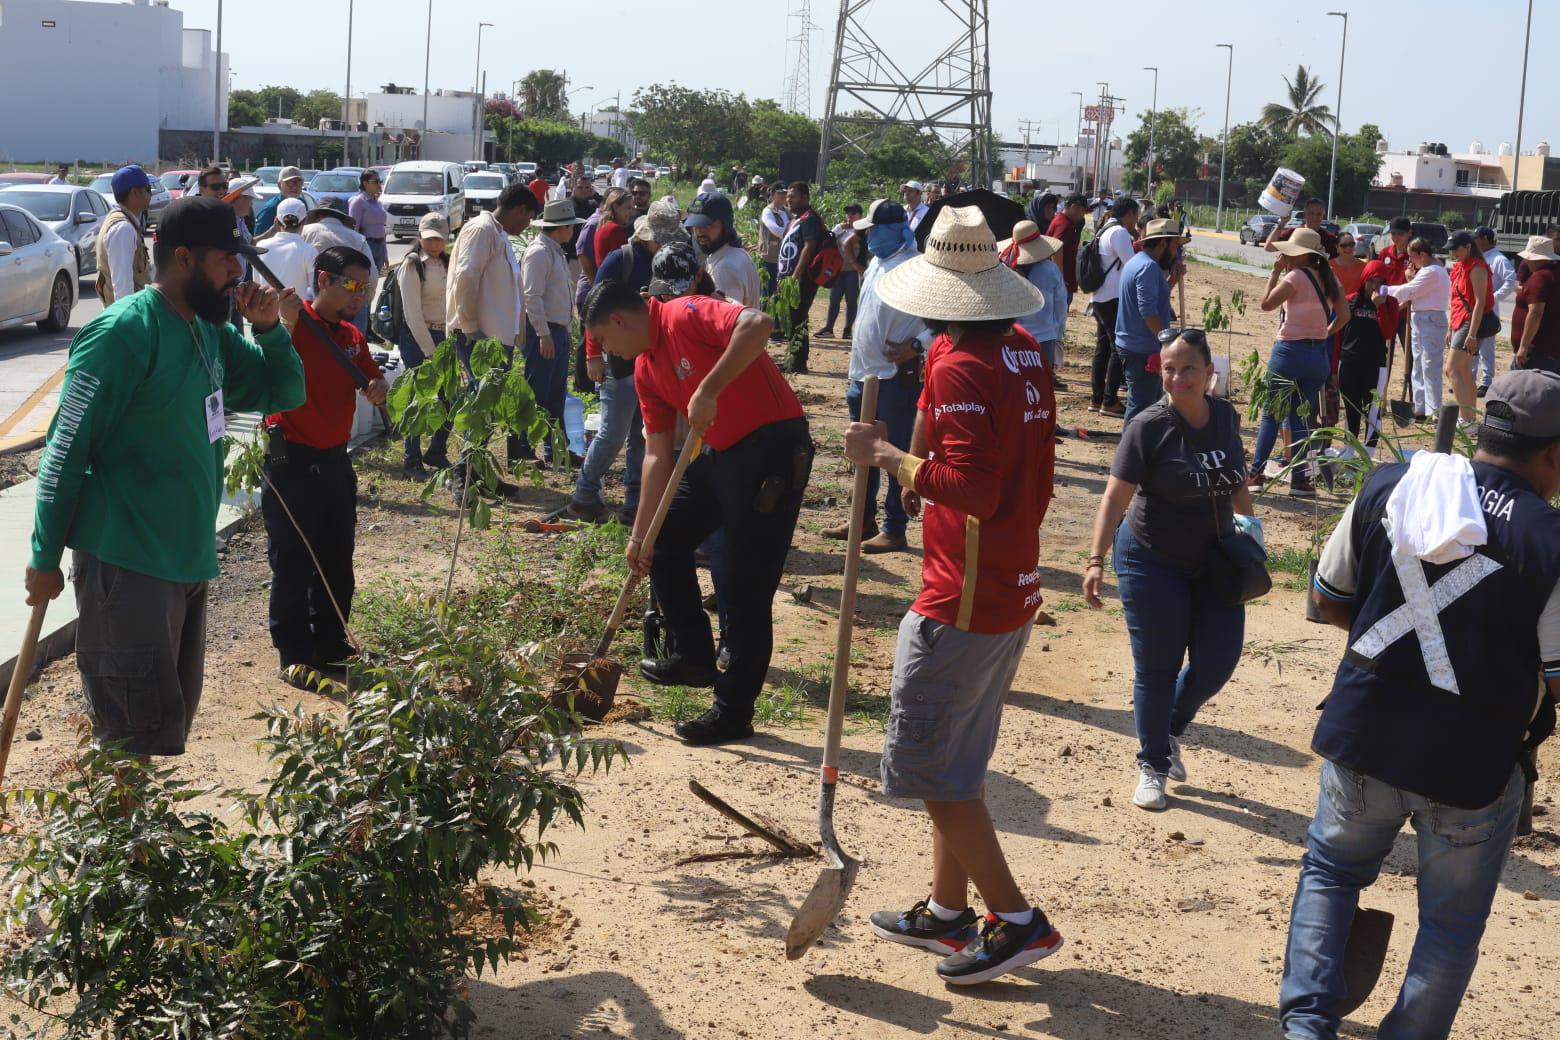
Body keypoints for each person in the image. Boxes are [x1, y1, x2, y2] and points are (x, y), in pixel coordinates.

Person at [1281, 369, 1560, 1040]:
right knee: (1450, 926)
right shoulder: (1549, 541)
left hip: (1365, 732)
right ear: (1553, 455)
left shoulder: (1394, 484)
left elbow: (1325, 598)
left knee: (1330, 874)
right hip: (1472, 765)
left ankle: (1304, 1030)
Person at [846, 205, 1064, 986]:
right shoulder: (1022, 355)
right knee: (957, 765)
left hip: (963, 597)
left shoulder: (960, 363)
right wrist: (923, 471)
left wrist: (892, 459)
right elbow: (1002, 458)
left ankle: (1016, 921)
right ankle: (947, 912)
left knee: (932, 769)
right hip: (1012, 581)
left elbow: (973, 488)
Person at [24, 196, 306, 756]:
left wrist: (271, 330)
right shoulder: (124, 333)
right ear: (183, 258)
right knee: (130, 740)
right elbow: (64, 451)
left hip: (185, 561)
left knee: (160, 731)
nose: (238, 272)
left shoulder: (210, 332)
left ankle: (139, 845)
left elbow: (285, 393)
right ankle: (118, 845)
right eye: (227, 259)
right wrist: (43, 556)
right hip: (128, 565)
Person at [583, 276, 813, 747]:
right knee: (664, 541)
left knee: (743, 582)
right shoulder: (646, 369)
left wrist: (708, 389)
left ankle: (733, 711)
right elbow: (656, 455)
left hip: (773, 448)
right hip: (722, 456)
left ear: (621, 320)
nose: (609, 352)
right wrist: (638, 535)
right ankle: (693, 655)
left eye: (605, 340)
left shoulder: (687, 313)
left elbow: (758, 324)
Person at [1082, 330, 1254, 810]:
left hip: (1216, 560)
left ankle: (1169, 727)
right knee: (1157, 667)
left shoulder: (1224, 417)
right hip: (1150, 559)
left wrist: (1252, 536)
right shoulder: (1147, 425)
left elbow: (1238, 482)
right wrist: (1095, 560)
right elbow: (1115, 497)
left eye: (1189, 368)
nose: (1177, 377)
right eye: (1169, 368)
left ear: (1208, 372)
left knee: (1218, 661)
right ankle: (1153, 763)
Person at [263, 246, 388, 687]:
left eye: (365, 288)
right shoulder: (296, 324)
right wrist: (284, 320)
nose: (359, 296)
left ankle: (331, 644)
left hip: (335, 461)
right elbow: (269, 349)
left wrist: (377, 388)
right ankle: (294, 653)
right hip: (292, 459)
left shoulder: (352, 335)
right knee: (293, 561)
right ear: (323, 280)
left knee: (337, 558)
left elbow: (372, 378)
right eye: (351, 285)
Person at [822, 199, 928, 553]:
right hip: (863, 375)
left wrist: (916, 345)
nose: (869, 236)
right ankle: (861, 517)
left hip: (895, 377)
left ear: (898, 230)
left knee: (894, 453)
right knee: (862, 453)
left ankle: (894, 527)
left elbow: (939, 320)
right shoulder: (877, 264)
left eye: (875, 230)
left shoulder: (917, 268)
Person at [568, 200, 684, 522]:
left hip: (650, 362)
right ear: (646, 235)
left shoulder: (666, 261)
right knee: (612, 434)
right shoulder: (622, 259)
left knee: (642, 436)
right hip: (619, 364)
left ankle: (635, 500)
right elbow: (596, 306)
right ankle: (584, 494)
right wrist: (593, 353)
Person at [444, 181, 539, 499]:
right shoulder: (482, 229)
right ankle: (462, 476)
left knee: (489, 411)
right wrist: (471, 328)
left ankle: (478, 474)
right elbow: (466, 277)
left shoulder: (498, 234)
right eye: (527, 220)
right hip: (479, 338)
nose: (525, 226)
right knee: (480, 406)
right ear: (520, 209)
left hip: (496, 340)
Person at [1250, 228, 1350, 497]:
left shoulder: (1295, 277)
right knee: (1301, 418)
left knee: (1272, 413)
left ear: (1301, 254)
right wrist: (1323, 333)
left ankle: (1256, 473)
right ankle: (1301, 480)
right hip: (1318, 355)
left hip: (1289, 352)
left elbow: (1266, 304)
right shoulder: (1329, 278)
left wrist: (1274, 273)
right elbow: (1344, 315)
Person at [520, 199, 585, 467]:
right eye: (571, 227)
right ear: (563, 227)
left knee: (556, 395)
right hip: (542, 332)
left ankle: (556, 449)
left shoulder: (553, 251)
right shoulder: (539, 253)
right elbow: (531, 296)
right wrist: (544, 333)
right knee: (536, 394)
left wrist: (564, 333)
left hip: (555, 330)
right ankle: (523, 450)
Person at [1114, 217, 1186, 421]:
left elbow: (1154, 298)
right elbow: (1148, 312)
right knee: (1141, 408)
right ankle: (1131, 450)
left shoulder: (1140, 262)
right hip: (1141, 348)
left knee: (1152, 405)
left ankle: (1145, 449)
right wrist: (1167, 343)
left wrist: (1172, 279)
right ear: (1163, 243)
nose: (1176, 252)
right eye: (1175, 246)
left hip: (1136, 343)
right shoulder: (1148, 268)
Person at [396, 213, 450, 477]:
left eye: (439, 239)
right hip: (417, 338)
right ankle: (412, 460)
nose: (434, 244)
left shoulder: (447, 263)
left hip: (443, 336)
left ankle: (436, 451)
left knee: (448, 397)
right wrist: (430, 350)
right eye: (429, 239)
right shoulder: (413, 264)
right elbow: (412, 313)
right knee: (418, 399)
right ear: (420, 236)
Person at [1379, 237, 1451, 422]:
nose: (1411, 261)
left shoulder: (1433, 271)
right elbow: (1413, 288)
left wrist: (1384, 290)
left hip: (1431, 320)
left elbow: (1409, 291)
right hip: (1420, 318)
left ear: (1423, 254)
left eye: (1413, 257)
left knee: (1430, 366)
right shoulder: (1426, 269)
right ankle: (1420, 408)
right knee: (1417, 364)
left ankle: (1434, 411)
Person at [1088, 197, 1139, 417]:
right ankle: (1109, 401)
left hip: (1099, 297)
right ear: (1129, 213)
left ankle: (1097, 397)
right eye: (1135, 215)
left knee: (1103, 349)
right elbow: (1132, 264)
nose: (1136, 221)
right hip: (1113, 298)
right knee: (1118, 348)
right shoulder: (1118, 232)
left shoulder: (1105, 229)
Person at [1003, 222, 1070, 382]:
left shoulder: (1006, 268)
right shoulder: (1050, 269)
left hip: (1012, 336)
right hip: (1044, 337)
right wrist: (1059, 334)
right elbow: (1061, 306)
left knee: (1015, 383)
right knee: (1041, 384)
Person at [1336, 259, 1392, 446]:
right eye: (1371, 281)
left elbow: (1388, 332)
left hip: (1375, 366)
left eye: (1380, 282)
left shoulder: (1389, 303)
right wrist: (1334, 367)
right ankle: (1349, 451)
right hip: (1349, 363)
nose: (1374, 286)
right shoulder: (1351, 300)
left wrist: (1379, 308)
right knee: (1351, 410)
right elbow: (1339, 335)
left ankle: (1368, 455)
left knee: (1372, 411)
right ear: (1364, 279)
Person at [1443, 230, 1495, 425]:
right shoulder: (1460, 266)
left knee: (1452, 369)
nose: (1453, 253)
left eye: (1456, 249)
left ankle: (1467, 420)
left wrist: (1472, 334)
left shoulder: (1477, 267)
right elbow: (1456, 300)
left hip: (1470, 322)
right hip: (1459, 320)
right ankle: (1470, 418)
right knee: (1464, 371)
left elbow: (1480, 303)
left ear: (1468, 247)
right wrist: (1450, 328)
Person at [777, 181, 825, 373]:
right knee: (793, 317)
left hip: (802, 279)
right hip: (790, 278)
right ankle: (794, 359)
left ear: (805, 197)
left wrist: (795, 276)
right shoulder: (797, 218)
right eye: (788, 196)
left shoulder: (810, 219)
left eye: (793, 196)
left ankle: (797, 363)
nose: (789, 200)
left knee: (797, 318)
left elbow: (809, 246)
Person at [684, 192, 761, 307]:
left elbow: (726, 322)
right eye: (695, 226)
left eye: (706, 225)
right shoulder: (735, 253)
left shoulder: (724, 268)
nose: (699, 232)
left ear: (725, 225)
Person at [94, 164, 153, 306]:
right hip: (130, 318)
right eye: (148, 189)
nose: (151, 194)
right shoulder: (123, 229)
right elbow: (122, 290)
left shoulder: (126, 223)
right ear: (135, 192)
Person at [1476, 227, 1517, 395]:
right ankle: (1469, 378)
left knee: (1486, 346)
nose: (1474, 242)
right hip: (1474, 306)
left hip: (1489, 309)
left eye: (1476, 238)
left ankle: (1486, 382)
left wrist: (1494, 297)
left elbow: (1510, 280)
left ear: (1485, 238)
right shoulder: (1479, 257)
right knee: (1471, 344)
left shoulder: (1498, 258)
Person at [817, 202, 866, 339]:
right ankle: (829, 328)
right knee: (834, 299)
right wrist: (838, 227)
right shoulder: (842, 229)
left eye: (853, 213)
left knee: (851, 301)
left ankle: (847, 330)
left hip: (853, 270)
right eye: (848, 213)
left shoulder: (863, 230)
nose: (850, 216)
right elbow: (828, 238)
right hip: (837, 270)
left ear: (860, 216)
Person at [1512, 235, 1560, 374]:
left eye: (1529, 258)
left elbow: (1535, 313)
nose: (1526, 261)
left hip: (1536, 352)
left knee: (1524, 391)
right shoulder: (1554, 274)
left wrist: (1524, 346)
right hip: (1550, 350)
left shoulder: (1540, 277)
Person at [258, 199, 320, 299]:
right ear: (305, 221)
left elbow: (257, 285)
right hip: (295, 313)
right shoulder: (309, 251)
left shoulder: (261, 246)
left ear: (276, 221)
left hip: (264, 311)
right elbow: (315, 291)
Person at [1264, 196, 1339, 259]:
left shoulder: (1330, 238)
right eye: (1311, 213)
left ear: (1323, 215)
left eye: (1319, 214)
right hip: (1294, 275)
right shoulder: (1294, 233)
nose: (1315, 217)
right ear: (1305, 214)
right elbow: (1269, 247)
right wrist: (1281, 224)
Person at [348, 169, 388, 271]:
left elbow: (381, 229)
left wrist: (385, 253)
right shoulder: (358, 202)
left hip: (379, 246)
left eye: (380, 181)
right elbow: (353, 230)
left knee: (374, 281)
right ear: (365, 183)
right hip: (367, 246)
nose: (379, 184)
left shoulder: (378, 203)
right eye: (375, 182)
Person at [758, 183, 790, 303]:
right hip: (769, 258)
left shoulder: (786, 211)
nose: (783, 195)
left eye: (785, 192)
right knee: (767, 294)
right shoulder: (767, 211)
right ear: (772, 194)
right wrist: (792, 234)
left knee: (779, 293)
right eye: (780, 192)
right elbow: (776, 230)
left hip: (783, 258)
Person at [254, 166, 306, 236]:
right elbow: (258, 239)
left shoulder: (302, 204)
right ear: (279, 185)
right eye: (290, 183)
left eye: (299, 183)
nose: (295, 187)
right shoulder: (270, 209)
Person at [592, 187, 634, 268]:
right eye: (628, 208)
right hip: (612, 279)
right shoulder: (614, 229)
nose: (631, 212)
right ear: (616, 207)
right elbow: (624, 261)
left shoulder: (603, 225)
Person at [1330, 233, 1366, 299]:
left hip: (1356, 306)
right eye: (1344, 245)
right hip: (1335, 306)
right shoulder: (1329, 266)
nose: (1348, 248)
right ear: (1337, 247)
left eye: (1351, 244)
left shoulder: (1364, 266)